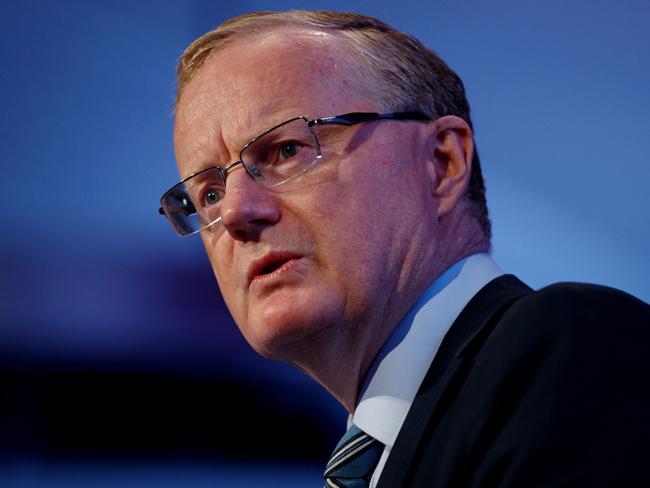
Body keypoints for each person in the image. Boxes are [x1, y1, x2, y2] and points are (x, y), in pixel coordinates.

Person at [158, 10, 650, 487]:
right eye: (210, 195)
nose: (239, 213)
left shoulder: (569, 350)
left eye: (287, 150)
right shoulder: (386, 455)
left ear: (442, 162)